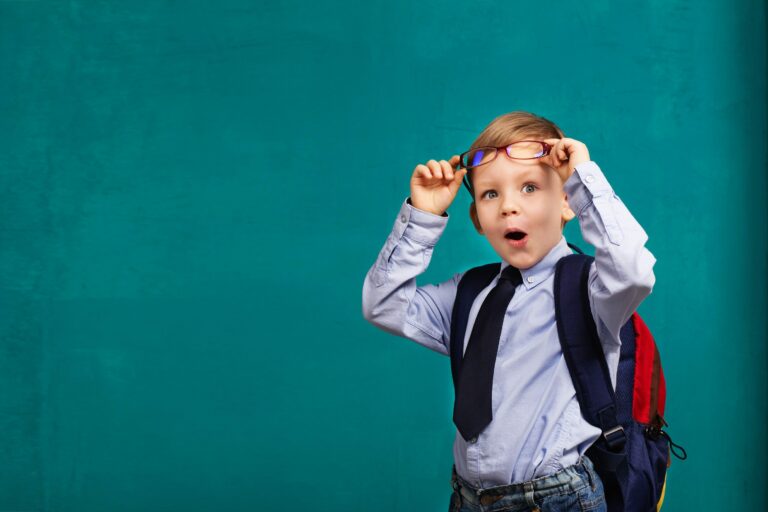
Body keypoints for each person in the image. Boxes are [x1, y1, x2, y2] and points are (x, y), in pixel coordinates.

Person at [361, 111, 656, 512]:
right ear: (478, 220)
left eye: (530, 187)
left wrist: (583, 180)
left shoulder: (590, 288)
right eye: (490, 194)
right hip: (468, 498)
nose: (508, 207)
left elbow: (633, 272)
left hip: (558, 499)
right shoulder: (468, 292)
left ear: (566, 204)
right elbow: (384, 305)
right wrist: (423, 215)